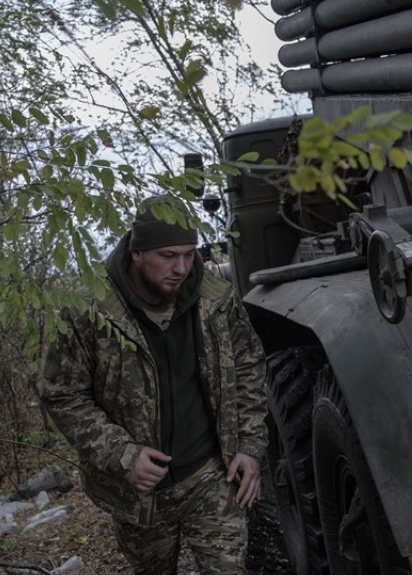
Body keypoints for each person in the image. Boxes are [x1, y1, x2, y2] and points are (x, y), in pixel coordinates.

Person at [40, 195, 269, 574]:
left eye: (188, 254)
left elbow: (248, 368)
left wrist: (250, 446)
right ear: (137, 252)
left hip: (210, 475)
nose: (181, 268)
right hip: (139, 494)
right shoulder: (89, 308)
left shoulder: (214, 299)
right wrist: (124, 455)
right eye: (167, 256)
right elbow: (62, 395)